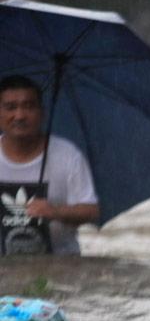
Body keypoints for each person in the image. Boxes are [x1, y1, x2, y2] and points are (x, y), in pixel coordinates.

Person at [0, 75, 99, 255]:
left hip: (60, 265)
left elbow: (91, 210)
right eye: (10, 107)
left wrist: (55, 211)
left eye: (29, 106)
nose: (20, 115)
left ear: (42, 113)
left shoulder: (68, 155)